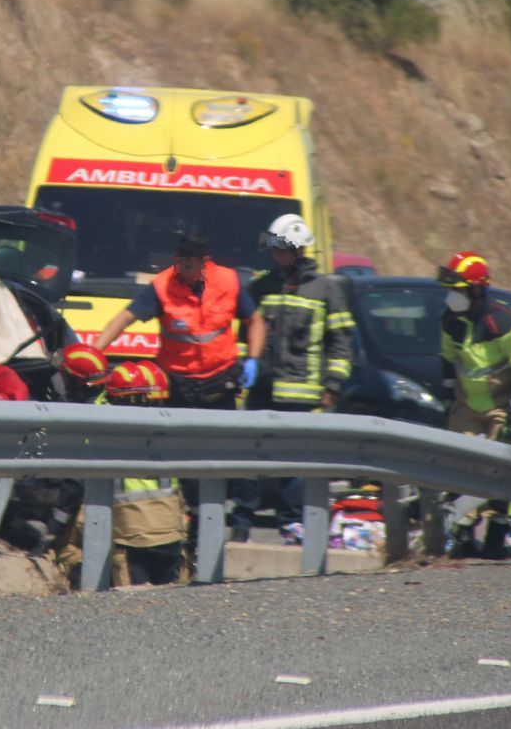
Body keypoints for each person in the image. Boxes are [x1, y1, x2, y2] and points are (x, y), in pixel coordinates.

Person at [231, 213, 354, 543]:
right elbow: (245, 331)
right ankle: (241, 522)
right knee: (250, 459)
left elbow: (341, 343)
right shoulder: (262, 286)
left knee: (293, 464)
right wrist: (244, 364)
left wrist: (333, 386)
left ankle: (291, 524)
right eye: (274, 249)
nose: (276, 255)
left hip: (302, 395)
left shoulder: (327, 291)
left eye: (282, 249)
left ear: (299, 250)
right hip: (261, 390)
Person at [435, 249, 511, 557]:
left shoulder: (506, 322)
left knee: (500, 470)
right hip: (467, 405)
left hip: (502, 406)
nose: (451, 298)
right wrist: (446, 399)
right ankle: (463, 530)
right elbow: (447, 361)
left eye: (458, 291)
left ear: (477, 289)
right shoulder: (450, 321)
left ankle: (497, 532)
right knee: (458, 464)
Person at [91, 233, 264, 411]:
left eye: (190, 261)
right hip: (177, 388)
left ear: (204, 260)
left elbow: (255, 321)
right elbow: (125, 318)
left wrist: (253, 359)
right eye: (180, 260)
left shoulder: (228, 281)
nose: (183, 267)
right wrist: (93, 354)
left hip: (220, 386)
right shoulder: (162, 286)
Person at [53, 360, 187, 587]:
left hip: (130, 534)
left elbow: (76, 479)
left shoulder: (105, 424)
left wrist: (56, 524)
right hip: (168, 530)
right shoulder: (169, 426)